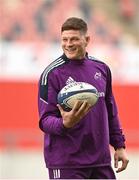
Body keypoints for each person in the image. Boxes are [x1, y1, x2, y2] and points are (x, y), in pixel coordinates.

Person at [38, 17, 129, 179]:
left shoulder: (102, 69)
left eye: (74, 39)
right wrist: (64, 123)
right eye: (64, 39)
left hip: (100, 161)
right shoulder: (51, 74)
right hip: (67, 163)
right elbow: (45, 120)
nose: (68, 44)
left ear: (87, 40)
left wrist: (119, 146)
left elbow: (110, 111)